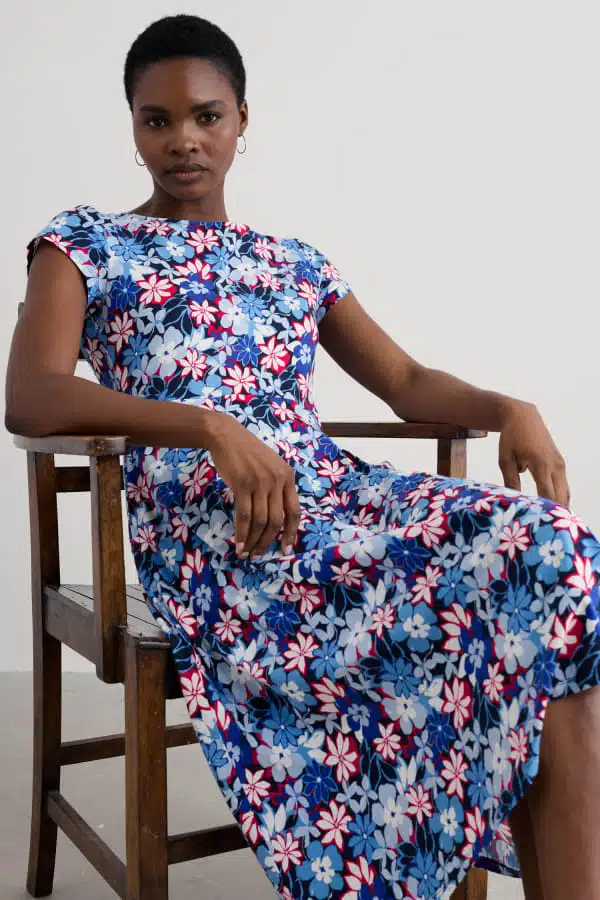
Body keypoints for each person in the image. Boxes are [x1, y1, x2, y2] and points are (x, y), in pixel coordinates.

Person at [5, 13, 600, 900]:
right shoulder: (84, 244)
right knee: (526, 599)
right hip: (220, 537)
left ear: (242, 119)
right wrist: (210, 425)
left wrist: (509, 407)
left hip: (338, 497)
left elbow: (406, 381)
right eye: (157, 120)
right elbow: (32, 395)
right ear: (132, 127)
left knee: (555, 554)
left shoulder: (293, 262)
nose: (183, 140)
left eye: (207, 115)